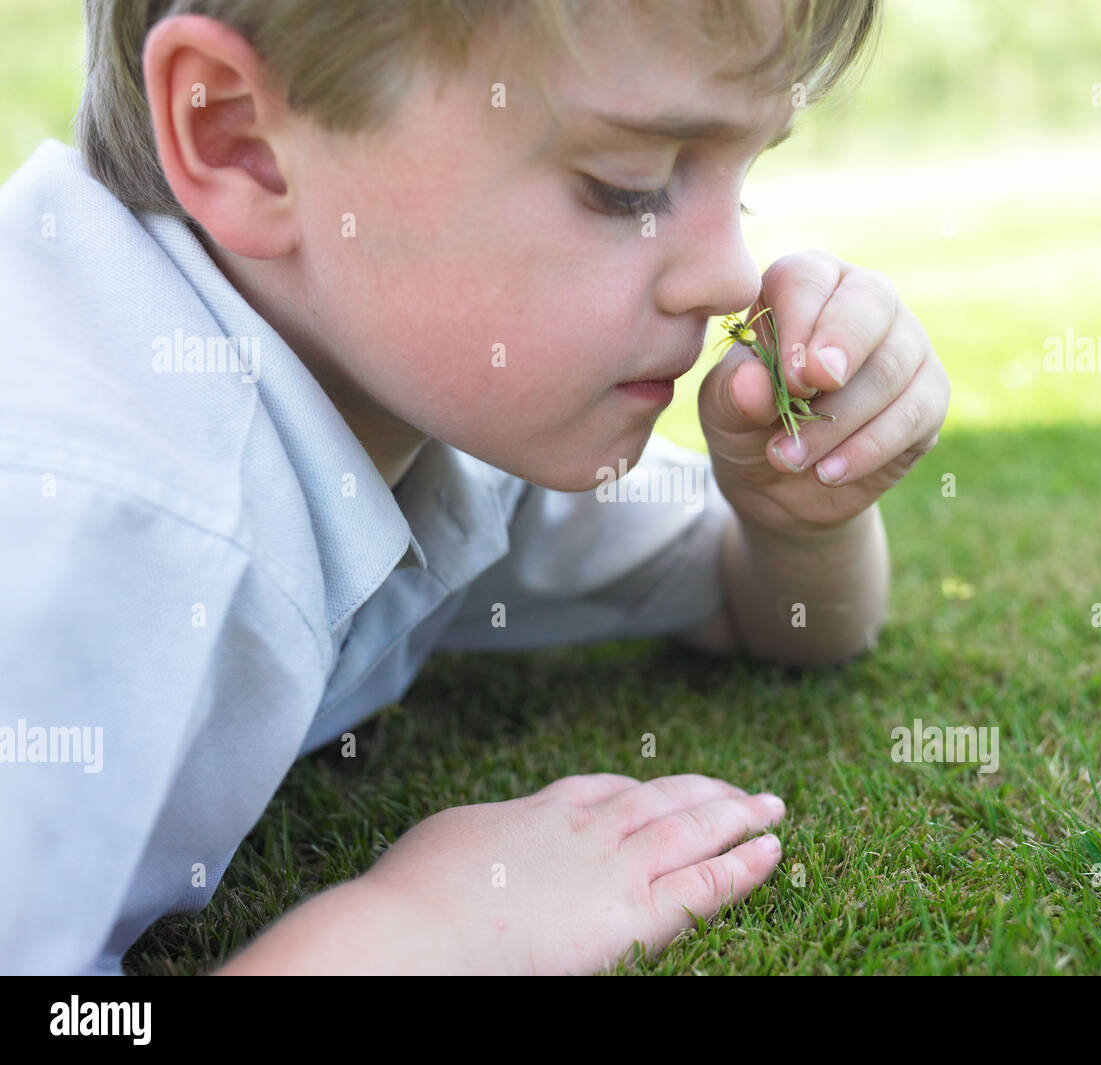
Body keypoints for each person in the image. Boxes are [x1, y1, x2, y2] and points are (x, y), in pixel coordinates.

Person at [0, 0, 947, 975]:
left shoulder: (443, 411)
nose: (728, 275)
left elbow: (782, 616)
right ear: (243, 141)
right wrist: (415, 941)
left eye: (741, 182)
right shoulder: (85, 524)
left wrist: (797, 516)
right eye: (630, 184)